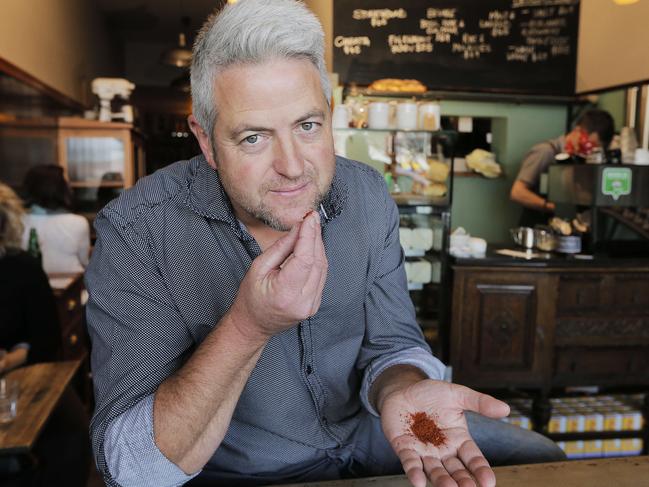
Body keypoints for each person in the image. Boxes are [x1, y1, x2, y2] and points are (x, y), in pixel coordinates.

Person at [86, 2, 564, 487]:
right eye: (253, 138)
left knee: (545, 457)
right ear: (206, 140)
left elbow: (393, 343)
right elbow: (131, 470)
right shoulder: (137, 231)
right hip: (240, 470)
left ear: (330, 115)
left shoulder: (366, 194)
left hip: (366, 435)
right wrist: (248, 327)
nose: (293, 167)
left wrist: (403, 389)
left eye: (308, 126)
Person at [0, 181, 91, 487]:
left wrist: (9, 360)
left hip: (20, 373)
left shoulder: (22, 268)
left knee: (73, 431)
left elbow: (46, 341)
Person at [510, 109, 615, 227]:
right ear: (577, 131)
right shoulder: (545, 152)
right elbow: (517, 192)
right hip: (538, 227)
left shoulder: (580, 159)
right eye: (588, 145)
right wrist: (551, 207)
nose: (588, 152)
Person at [20, 164, 90, 274]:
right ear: (61, 189)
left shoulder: (17, 221)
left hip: (29, 285)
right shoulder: (78, 222)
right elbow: (84, 261)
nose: (69, 186)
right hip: (71, 285)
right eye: (66, 183)